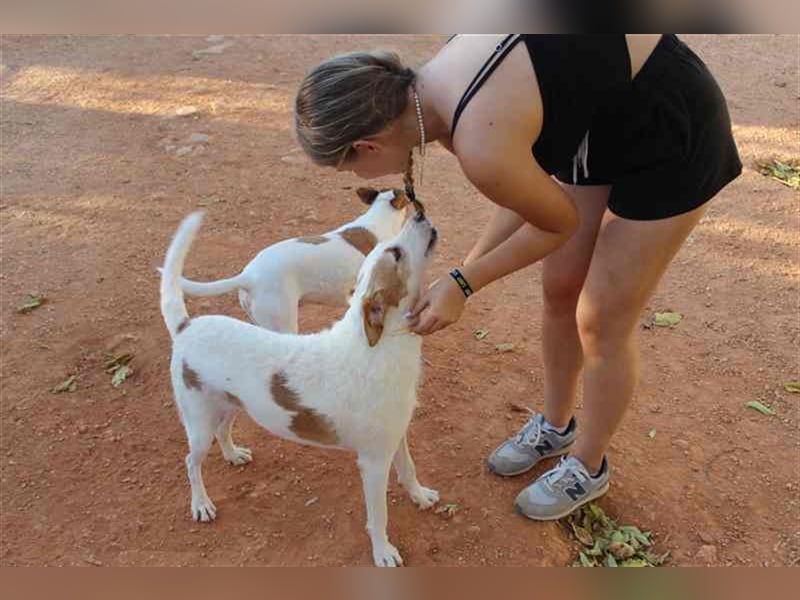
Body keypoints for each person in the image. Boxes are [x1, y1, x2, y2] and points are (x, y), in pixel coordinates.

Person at [293, 35, 741, 520]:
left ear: (367, 145)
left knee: (601, 318)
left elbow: (557, 222)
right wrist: (459, 274)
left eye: (351, 168)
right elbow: (524, 190)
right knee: (560, 288)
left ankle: (588, 465)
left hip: (671, 127)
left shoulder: (475, 136)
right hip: (601, 121)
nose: (363, 177)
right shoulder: (433, 98)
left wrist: (465, 284)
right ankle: (556, 425)